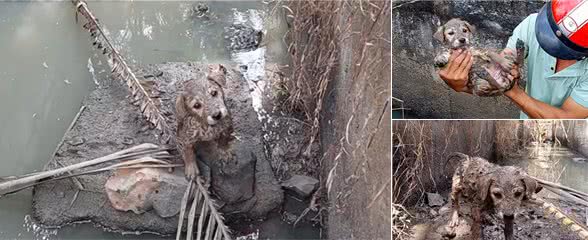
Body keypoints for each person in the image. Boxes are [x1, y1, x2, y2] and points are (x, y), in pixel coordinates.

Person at [439, 0, 588, 119]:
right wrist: (464, 85)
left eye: (559, 45)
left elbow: (567, 118)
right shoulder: (533, 23)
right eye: (549, 35)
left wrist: (512, 91)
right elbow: (507, 61)